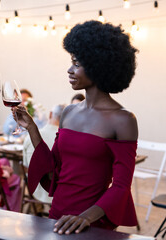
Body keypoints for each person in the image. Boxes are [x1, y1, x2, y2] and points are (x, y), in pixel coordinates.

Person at [15, 20, 138, 234]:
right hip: (59, 214)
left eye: (77, 64)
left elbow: (121, 186)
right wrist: (33, 130)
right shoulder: (69, 113)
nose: (70, 70)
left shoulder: (123, 120)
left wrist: (85, 217)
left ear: (98, 65)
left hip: (93, 221)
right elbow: (54, 169)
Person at [23, 104, 66, 206]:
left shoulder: (30, 137)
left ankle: (38, 209)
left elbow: (25, 166)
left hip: (36, 189)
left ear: (50, 114)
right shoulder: (67, 140)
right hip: (59, 191)